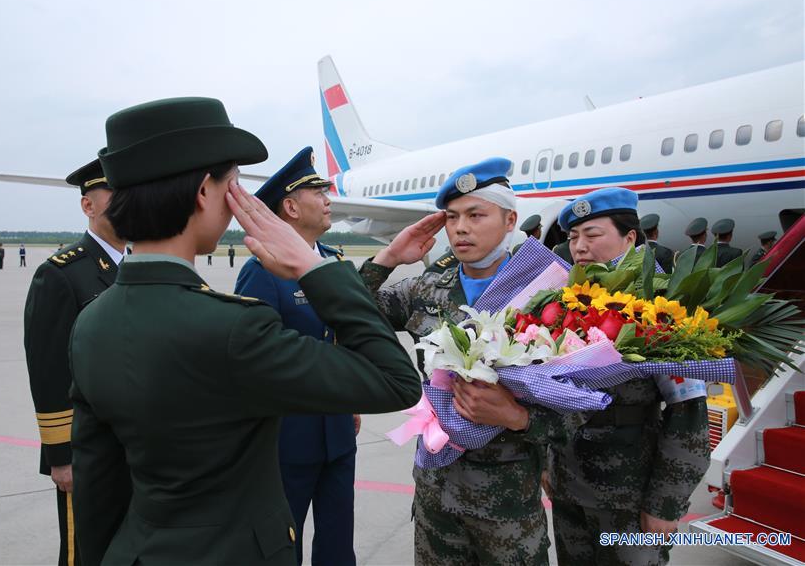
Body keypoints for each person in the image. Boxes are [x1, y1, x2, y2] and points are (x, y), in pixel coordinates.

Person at [68, 97, 421, 566]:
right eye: (231, 185)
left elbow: (96, 491)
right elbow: (394, 380)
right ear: (202, 193)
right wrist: (312, 268)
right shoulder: (232, 327)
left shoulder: (91, 322)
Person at [359, 158, 580, 565]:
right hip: (435, 497)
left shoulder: (545, 294)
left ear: (510, 219)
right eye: (452, 217)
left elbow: (582, 408)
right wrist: (389, 257)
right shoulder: (426, 287)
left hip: (508, 508)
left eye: (476, 215)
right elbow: (352, 311)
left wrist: (518, 417)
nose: (460, 228)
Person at [549, 187, 710, 566]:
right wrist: (547, 465)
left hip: (630, 495)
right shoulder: (566, 302)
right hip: (570, 487)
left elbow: (688, 415)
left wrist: (666, 503)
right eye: (573, 237)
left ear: (631, 237)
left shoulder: (662, 310)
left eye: (592, 235)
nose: (579, 247)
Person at [235, 146, 358, 566]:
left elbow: (341, 339)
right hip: (288, 438)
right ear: (289, 206)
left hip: (338, 432)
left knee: (338, 543)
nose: (328, 199)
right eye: (318, 191)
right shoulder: (261, 270)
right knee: (281, 547)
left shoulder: (334, 263)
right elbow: (254, 361)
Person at [24, 159, 127, 566]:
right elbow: (48, 371)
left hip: (137, 444)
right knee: (85, 549)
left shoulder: (141, 267)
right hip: (87, 452)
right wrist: (60, 456)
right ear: (89, 206)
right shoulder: (62, 274)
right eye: (115, 196)